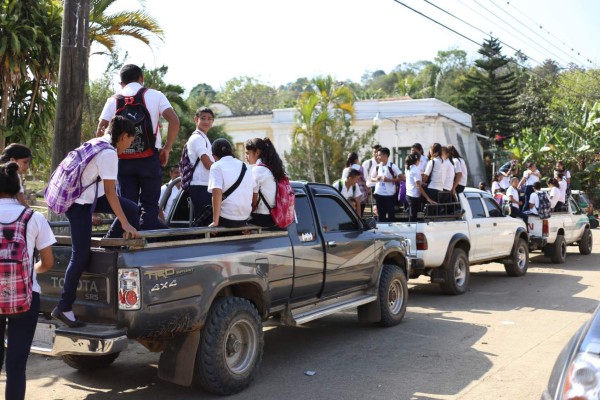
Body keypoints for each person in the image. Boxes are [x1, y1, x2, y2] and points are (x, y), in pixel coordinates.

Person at [52, 116, 141, 328]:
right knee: (80, 254)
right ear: (123, 136)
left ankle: (110, 242)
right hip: (79, 204)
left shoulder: (97, 142)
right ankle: (64, 307)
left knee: (131, 209)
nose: (130, 145)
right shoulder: (109, 153)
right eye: (130, 140)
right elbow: (111, 192)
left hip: (89, 199)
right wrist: (125, 224)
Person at [97, 64, 180, 231]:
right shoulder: (156, 95)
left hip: (122, 160)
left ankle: (123, 245)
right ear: (141, 78)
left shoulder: (113, 100)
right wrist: (167, 148)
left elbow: (100, 130)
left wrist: (107, 157)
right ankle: (150, 245)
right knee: (149, 207)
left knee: (127, 206)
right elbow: (174, 120)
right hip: (149, 158)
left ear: (121, 83)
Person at [0, 161, 55, 400]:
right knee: (16, 366)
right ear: (16, 188)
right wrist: (28, 271)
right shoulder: (33, 217)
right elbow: (48, 263)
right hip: (26, 297)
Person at [208, 139, 254, 228]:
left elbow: (217, 193)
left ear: (214, 156)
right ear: (231, 151)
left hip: (227, 219)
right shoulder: (246, 167)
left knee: (202, 219)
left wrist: (215, 222)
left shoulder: (216, 166)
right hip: (245, 218)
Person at [245, 137, 287, 228]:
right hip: (273, 216)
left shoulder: (258, 170)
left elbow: (253, 202)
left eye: (248, 153)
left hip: (263, 217)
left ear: (257, 153)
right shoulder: (270, 168)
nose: (246, 157)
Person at [184, 107, 216, 222]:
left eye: (209, 119)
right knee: (204, 222)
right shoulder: (197, 138)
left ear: (212, 122)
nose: (206, 121)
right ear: (195, 119)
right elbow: (207, 163)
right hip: (200, 185)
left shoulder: (203, 137)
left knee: (205, 220)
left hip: (204, 184)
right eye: (203, 118)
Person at [371, 147, 402, 222]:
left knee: (391, 216)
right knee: (381, 216)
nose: (377, 157)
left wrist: (389, 180)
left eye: (379, 155)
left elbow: (402, 178)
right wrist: (376, 179)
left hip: (390, 195)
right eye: (377, 155)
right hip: (379, 194)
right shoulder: (377, 167)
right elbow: (371, 178)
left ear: (385, 155)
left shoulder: (392, 166)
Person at [405, 153, 435, 222]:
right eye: (419, 160)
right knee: (413, 217)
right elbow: (418, 186)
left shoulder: (410, 168)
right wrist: (428, 198)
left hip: (410, 195)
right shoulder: (415, 170)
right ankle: (412, 232)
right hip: (413, 197)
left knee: (412, 216)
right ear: (417, 160)